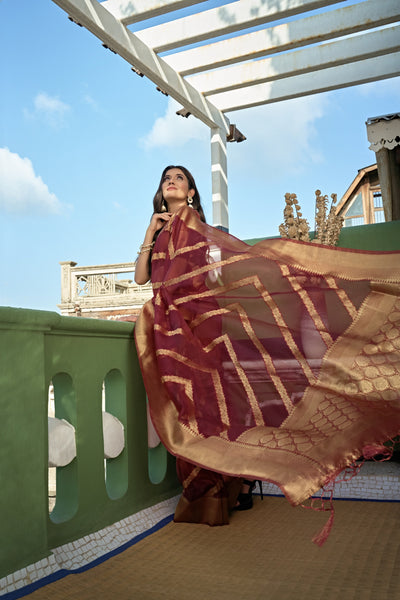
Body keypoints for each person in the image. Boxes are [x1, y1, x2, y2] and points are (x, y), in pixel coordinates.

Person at [135, 165, 400, 541]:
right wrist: (150, 231)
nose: (172, 182)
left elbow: (212, 278)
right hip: (169, 328)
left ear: (191, 192)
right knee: (186, 407)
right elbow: (141, 278)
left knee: (209, 408)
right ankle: (214, 491)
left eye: (179, 178)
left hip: (199, 325)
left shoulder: (197, 227)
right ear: (161, 192)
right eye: (166, 179)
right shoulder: (161, 230)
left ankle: (223, 488)